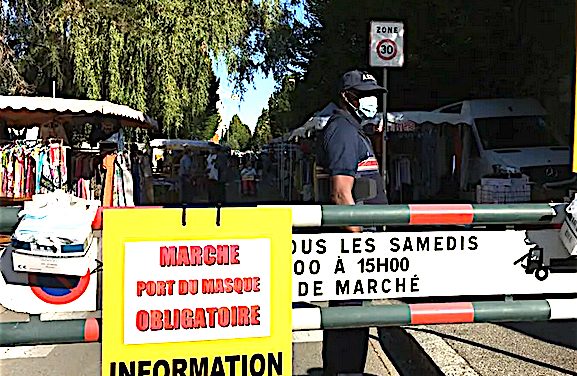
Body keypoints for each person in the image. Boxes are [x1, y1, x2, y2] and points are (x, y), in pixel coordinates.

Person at [317, 69, 388, 375]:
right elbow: (341, 194)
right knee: (348, 316)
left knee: (353, 316)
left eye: (374, 94)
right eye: (365, 94)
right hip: (352, 243)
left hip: (355, 239)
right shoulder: (343, 131)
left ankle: (346, 369)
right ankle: (343, 371)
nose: (372, 100)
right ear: (348, 97)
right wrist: (360, 240)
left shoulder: (352, 128)